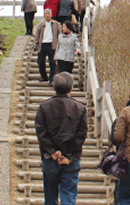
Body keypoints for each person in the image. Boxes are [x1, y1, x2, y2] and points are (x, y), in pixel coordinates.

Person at [35, 72, 87, 205]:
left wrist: (52, 151)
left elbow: (41, 132)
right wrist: (69, 155)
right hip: (71, 158)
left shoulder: (44, 107)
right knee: (69, 196)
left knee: (50, 196)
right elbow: (81, 135)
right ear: (71, 88)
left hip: (49, 157)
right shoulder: (80, 108)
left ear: (54, 87)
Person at [33, 9, 61, 84]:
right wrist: (36, 44)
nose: (47, 15)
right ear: (44, 15)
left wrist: (59, 44)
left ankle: (52, 78)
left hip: (52, 44)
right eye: (46, 14)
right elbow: (37, 35)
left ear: (51, 15)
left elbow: (59, 34)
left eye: (49, 13)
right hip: (42, 44)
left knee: (52, 62)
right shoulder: (41, 24)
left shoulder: (56, 24)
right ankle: (44, 77)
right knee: (40, 61)